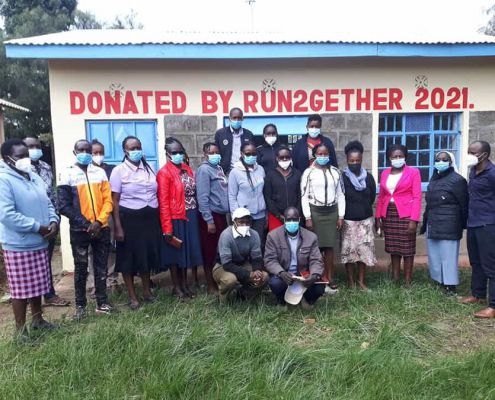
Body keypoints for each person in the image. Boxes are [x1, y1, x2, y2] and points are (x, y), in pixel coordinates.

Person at [0, 139, 59, 341]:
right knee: (20, 289)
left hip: (40, 240)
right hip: (19, 243)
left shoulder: (33, 176)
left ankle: (38, 321)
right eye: (20, 156)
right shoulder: (4, 179)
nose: (25, 159)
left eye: (26, 154)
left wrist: (53, 221)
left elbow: (48, 201)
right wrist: (38, 227)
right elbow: (7, 215)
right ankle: (20, 330)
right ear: (7, 159)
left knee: (38, 285)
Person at [58, 139, 113, 319]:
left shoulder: (100, 172)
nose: (86, 153)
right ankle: (80, 306)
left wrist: (99, 221)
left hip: (101, 228)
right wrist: (86, 224)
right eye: (81, 150)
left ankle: (102, 302)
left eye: (88, 150)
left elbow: (108, 200)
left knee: (101, 267)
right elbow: (64, 206)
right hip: (79, 230)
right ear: (75, 152)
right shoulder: (67, 174)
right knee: (81, 269)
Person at [110, 136, 161, 310]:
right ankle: (133, 297)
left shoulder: (149, 168)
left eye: (138, 147)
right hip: (129, 220)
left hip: (149, 219)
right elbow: (114, 201)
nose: (136, 150)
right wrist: (117, 226)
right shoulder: (119, 171)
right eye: (132, 148)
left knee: (146, 256)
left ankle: (147, 292)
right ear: (125, 151)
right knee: (128, 259)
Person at [24, 136, 70, 307]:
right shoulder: (18, 170)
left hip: (49, 221)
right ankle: (29, 295)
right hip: (29, 224)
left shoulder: (46, 167)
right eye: (30, 146)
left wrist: (55, 219)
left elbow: (51, 195)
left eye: (37, 146)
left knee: (46, 260)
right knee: (28, 262)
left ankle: (49, 294)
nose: (34, 149)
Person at [158, 137, 203, 299]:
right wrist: (167, 228)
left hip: (190, 215)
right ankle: (176, 287)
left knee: (186, 253)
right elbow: (163, 202)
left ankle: (185, 284)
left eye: (180, 152)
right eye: (174, 152)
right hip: (175, 217)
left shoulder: (187, 169)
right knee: (175, 254)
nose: (178, 155)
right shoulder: (164, 173)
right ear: (168, 154)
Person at [420, 151, 468, 295]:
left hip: (450, 223)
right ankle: (440, 280)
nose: (440, 162)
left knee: (448, 256)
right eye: (438, 159)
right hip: (433, 222)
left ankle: (450, 286)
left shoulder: (458, 180)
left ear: (450, 162)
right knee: (435, 255)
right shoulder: (434, 179)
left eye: (444, 159)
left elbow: (464, 204)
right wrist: (425, 222)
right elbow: (429, 203)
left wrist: (462, 224)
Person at [301, 143, 345, 292]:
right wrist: (307, 217)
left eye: (325, 154)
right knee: (316, 247)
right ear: (315, 155)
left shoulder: (335, 172)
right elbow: (303, 196)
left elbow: (341, 194)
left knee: (330, 247)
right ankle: (318, 277)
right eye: (320, 154)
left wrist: (341, 216)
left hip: (332, 212)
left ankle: (330, 277)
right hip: (315, 212)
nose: (323, 156)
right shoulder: (308, 173)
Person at [376, 144, 421, 286]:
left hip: (406, 215)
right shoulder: (384, 173)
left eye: (400, 156)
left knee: (407, 249)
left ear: (405, 157)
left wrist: (414, 220)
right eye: (394, 156)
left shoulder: (413, 173)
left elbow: (417, 197)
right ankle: (395, 277)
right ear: (389, 158)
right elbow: (382, 196)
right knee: (394, 248)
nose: (397, 158)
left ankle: (407, 281)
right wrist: (378, 217)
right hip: (389, 214)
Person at [459, 141, 495, 318]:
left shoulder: (492, 174)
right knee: (476, 262)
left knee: (490, 265)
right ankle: (478, 295)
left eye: (473, 153)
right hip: (473, 223)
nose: (469, 155)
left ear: (485, 155)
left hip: (488, 224)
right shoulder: (473, 171)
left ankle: (493, 306)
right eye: (468, 151)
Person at [264, 207, 325, 310]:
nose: (291, 222)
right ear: (284, 220)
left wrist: (314, 275)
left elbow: (316, 260)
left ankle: (307, 300)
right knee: (275, 283)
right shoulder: (273, 236)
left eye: (294, 219)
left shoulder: (311, 237)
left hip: (303, 276)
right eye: (288, 219)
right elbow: (270, 260)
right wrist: (281, 273)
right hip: (284, 274)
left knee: (319, 287)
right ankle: (281, 301)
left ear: (299, 220)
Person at [340, 141, 377, 289]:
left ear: (361, 160)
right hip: (348, 222)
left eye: (357, 160)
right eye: (351, 161)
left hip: (365, 221)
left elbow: (372, 197)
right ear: (347, 160)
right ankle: (350, 281)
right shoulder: (342, 178)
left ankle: (361, 281)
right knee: (349, 253)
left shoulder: (368, 178)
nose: (354, 163)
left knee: (364, 252)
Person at [213, 207, 268, 303]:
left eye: (247, 222)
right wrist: (248, 275)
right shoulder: (226, 235)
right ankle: (223, 299)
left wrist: (257, 270)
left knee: (264, 277)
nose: (245, 225)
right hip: (222, 266)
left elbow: (257, 258)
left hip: (242, 264)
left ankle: (242, 294)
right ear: (234, 221)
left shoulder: (254, 234)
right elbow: (227, 264)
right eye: (241, 222)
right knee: (230, 280)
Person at [196, 142, 229, 295]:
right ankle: (210, 285)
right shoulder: (204, 170)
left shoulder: (218, 168)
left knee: (219, 249)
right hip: (211, 216)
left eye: (217, 152)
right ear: (205, 154)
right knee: (209, 250)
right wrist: (208, 220)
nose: (215, 155)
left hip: (221, 215)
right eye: (212, 152)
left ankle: (219, 281)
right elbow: (202, 196)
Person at [87, 139, 118, 296]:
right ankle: (95, 283)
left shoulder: (112, 170)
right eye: (95, 153)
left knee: (110, 248)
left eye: (101, 152)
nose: (98, 155)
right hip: (90, 217)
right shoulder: (84, 171)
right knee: (92, 251)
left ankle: (111, 280)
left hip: (108, 215)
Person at [228, 142, 266, 247]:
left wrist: (266, 213)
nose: (251, 156)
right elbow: (232, 196)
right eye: (248, 154)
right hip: (243, 216)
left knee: (258, 242)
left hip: (260, 214)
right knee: (243, 242)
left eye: (254, 154)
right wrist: (235, 216)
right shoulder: (235, 172)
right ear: (241, 154)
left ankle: (257, 262)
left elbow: (264, 192)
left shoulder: (261, 169)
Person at [263, 146, 302, 231]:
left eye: (287, 157)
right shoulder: (270, 175)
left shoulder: (297, 174)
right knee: (276, 240)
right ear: (277, 158)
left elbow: (300, 195)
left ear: (291, 158)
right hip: (275, 216)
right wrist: (278, 215)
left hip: (294, 217)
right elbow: (268, 197)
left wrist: (296, 212)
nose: (284, 159)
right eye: (281, 157)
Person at [215, 107, 254, 174]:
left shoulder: (248, 134)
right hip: (227, 172)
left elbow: (252, 153)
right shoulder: (220, 134)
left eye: (239, 118)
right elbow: (217, 152)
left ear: (242, 118)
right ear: (229, 118)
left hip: (245, 171)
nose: (237, 120)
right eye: (234, 118)